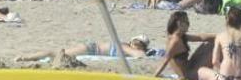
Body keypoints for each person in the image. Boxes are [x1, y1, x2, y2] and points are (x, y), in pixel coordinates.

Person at [154, 11, 216, 80]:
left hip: (189, 67)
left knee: (208, 44)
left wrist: (221, 36)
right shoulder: (175, 41)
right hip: (187, 75)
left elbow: (201, 37)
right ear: (179, 23)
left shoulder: (180, 36)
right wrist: (153, 77)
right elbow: (165, 60)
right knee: (213, 48)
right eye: (187, 22)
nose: (188, 24)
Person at [15, 35, 154, 62]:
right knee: (56, 53)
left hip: (91, 48)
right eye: (136, 42)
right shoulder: (125, 47)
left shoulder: (127, 47)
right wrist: (144, 52)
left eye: (140, 44)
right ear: (132, 42)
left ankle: (27, 57)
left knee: (57, 53)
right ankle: (25, 57)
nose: (137, 45)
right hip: (91, 49)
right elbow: (140, 55)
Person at [211, 8, 241, 80]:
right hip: (240, 76)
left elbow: (215, 61)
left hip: (224, 76)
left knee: (202, 70)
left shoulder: (220, 36)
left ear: (227, 20)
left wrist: (219, 72)